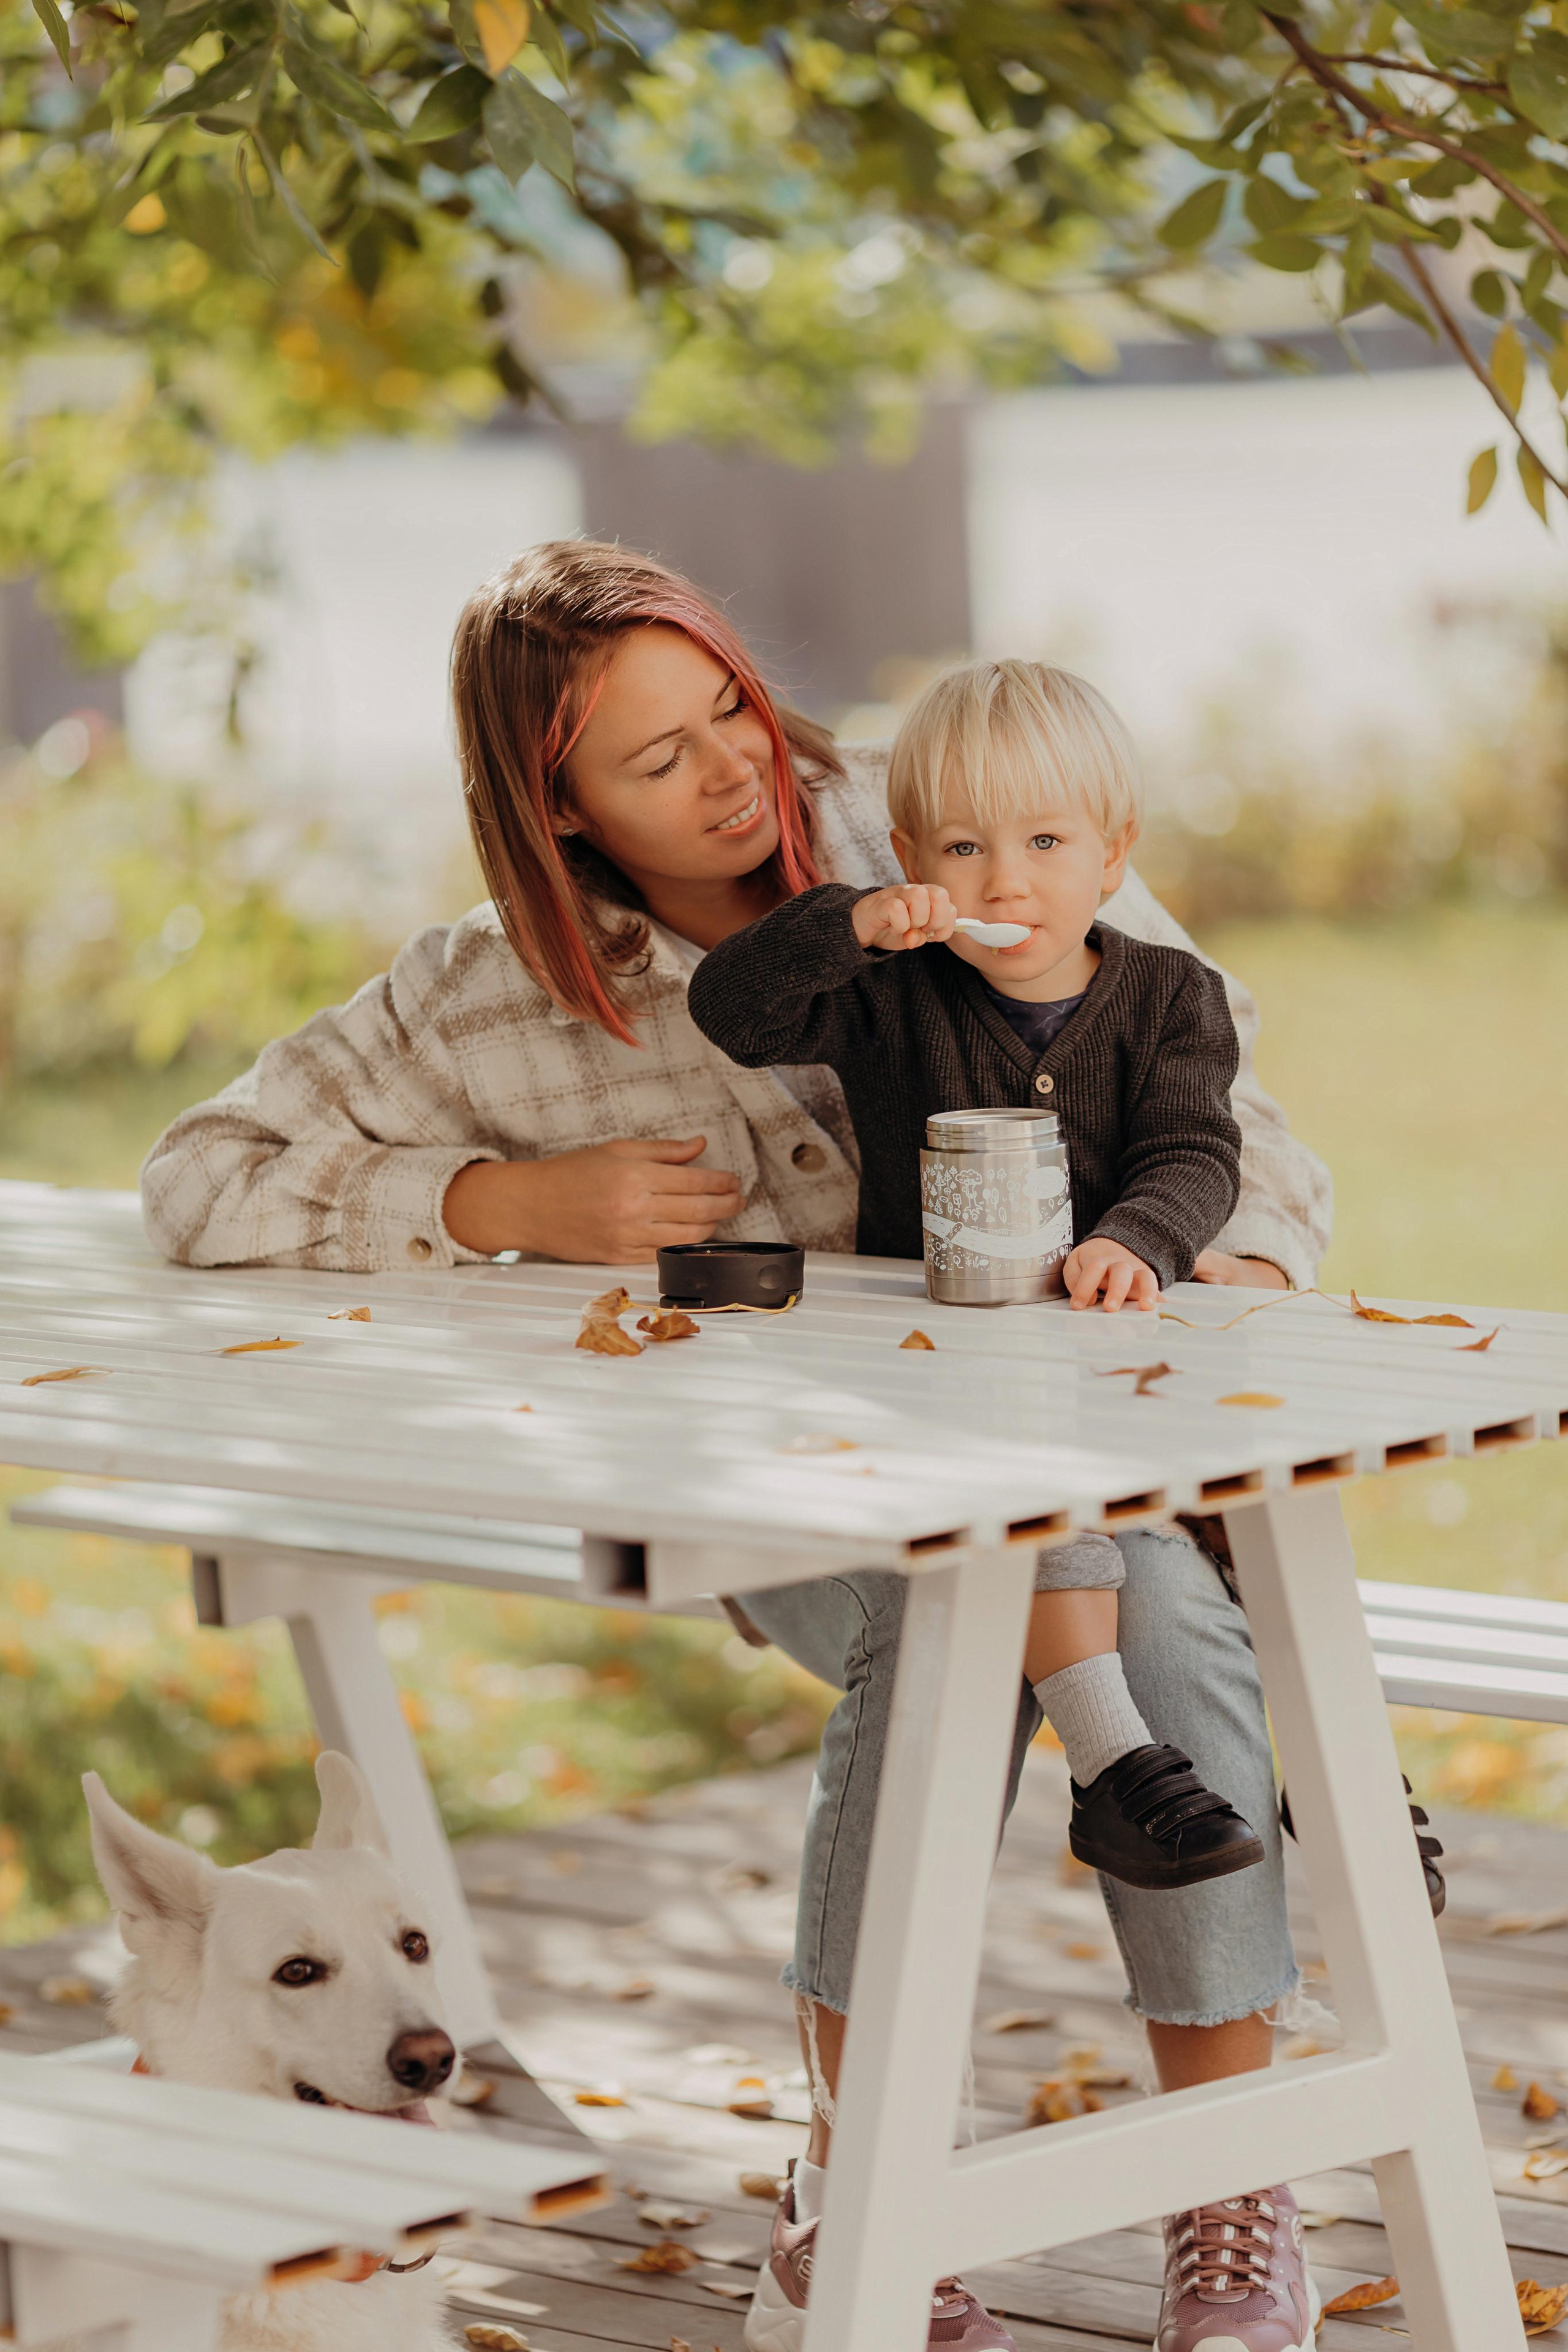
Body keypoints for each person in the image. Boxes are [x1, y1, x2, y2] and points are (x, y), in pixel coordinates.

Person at [142, 540, 1335, 2352]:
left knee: (1153, 1626)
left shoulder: (945, 826)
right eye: (657, 758)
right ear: (558, 812)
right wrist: (498, 1197)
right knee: (947, 1620)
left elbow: (1251, 1139)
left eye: (729, 708)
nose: (732, 771)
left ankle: (1229, 2188)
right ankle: (861, 2202)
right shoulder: (482, 997)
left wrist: (1196, 1280)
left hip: (1060, 1466)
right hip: (778, 1499)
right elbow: (198, 1174)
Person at [689, 656, 1267, 1902]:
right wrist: (841, 924)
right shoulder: (891, 996)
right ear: (909, 860)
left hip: (1125, 1370)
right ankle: (1114, 1761)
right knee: (1026, 1502)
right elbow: (733, 1010)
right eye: (960, 847)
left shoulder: (1171, 999)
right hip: (954, 1382)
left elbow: (1192, 1148)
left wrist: (1140, 1240)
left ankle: (1333, 1786)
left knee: (1239, 1546)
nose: (1003, 879)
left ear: (1112, 855)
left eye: (1044, 839)